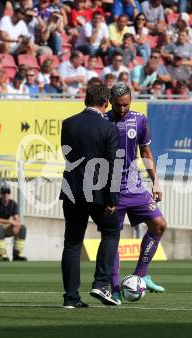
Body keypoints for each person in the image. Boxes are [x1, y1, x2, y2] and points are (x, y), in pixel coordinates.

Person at [104, 83, 167, 304]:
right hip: (111, 190)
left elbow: (146, 151)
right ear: (110, 101)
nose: (123, 109)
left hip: (135, 187)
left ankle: (141, 276)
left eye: (126, 104)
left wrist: (155, 181)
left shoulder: (140, 119)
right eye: (119, 105)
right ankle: (114, 289)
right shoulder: (103, 122)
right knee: (111, 238)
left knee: (159, 224)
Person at [60, 84, 121, 308]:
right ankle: (101, 283)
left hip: (72, 188)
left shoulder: (68, 123)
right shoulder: (108, 128)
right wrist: (113, 198)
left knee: (72, 243)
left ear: (86, 99)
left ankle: (70, 297)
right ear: (105, 103)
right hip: (97, 191)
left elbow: (66, 153)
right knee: (112, 231)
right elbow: (114, 165)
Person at [0, 185, 27, 261]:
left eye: (8, 192)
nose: (6, 194)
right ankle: (2, 254)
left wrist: (17, 225)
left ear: (10, 194)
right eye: (4, 192)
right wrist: (9, 221)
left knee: (22, 228)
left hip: (4, 226)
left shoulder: (13, 204)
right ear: (1, 194)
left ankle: (17, 254)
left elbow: (17, 218)